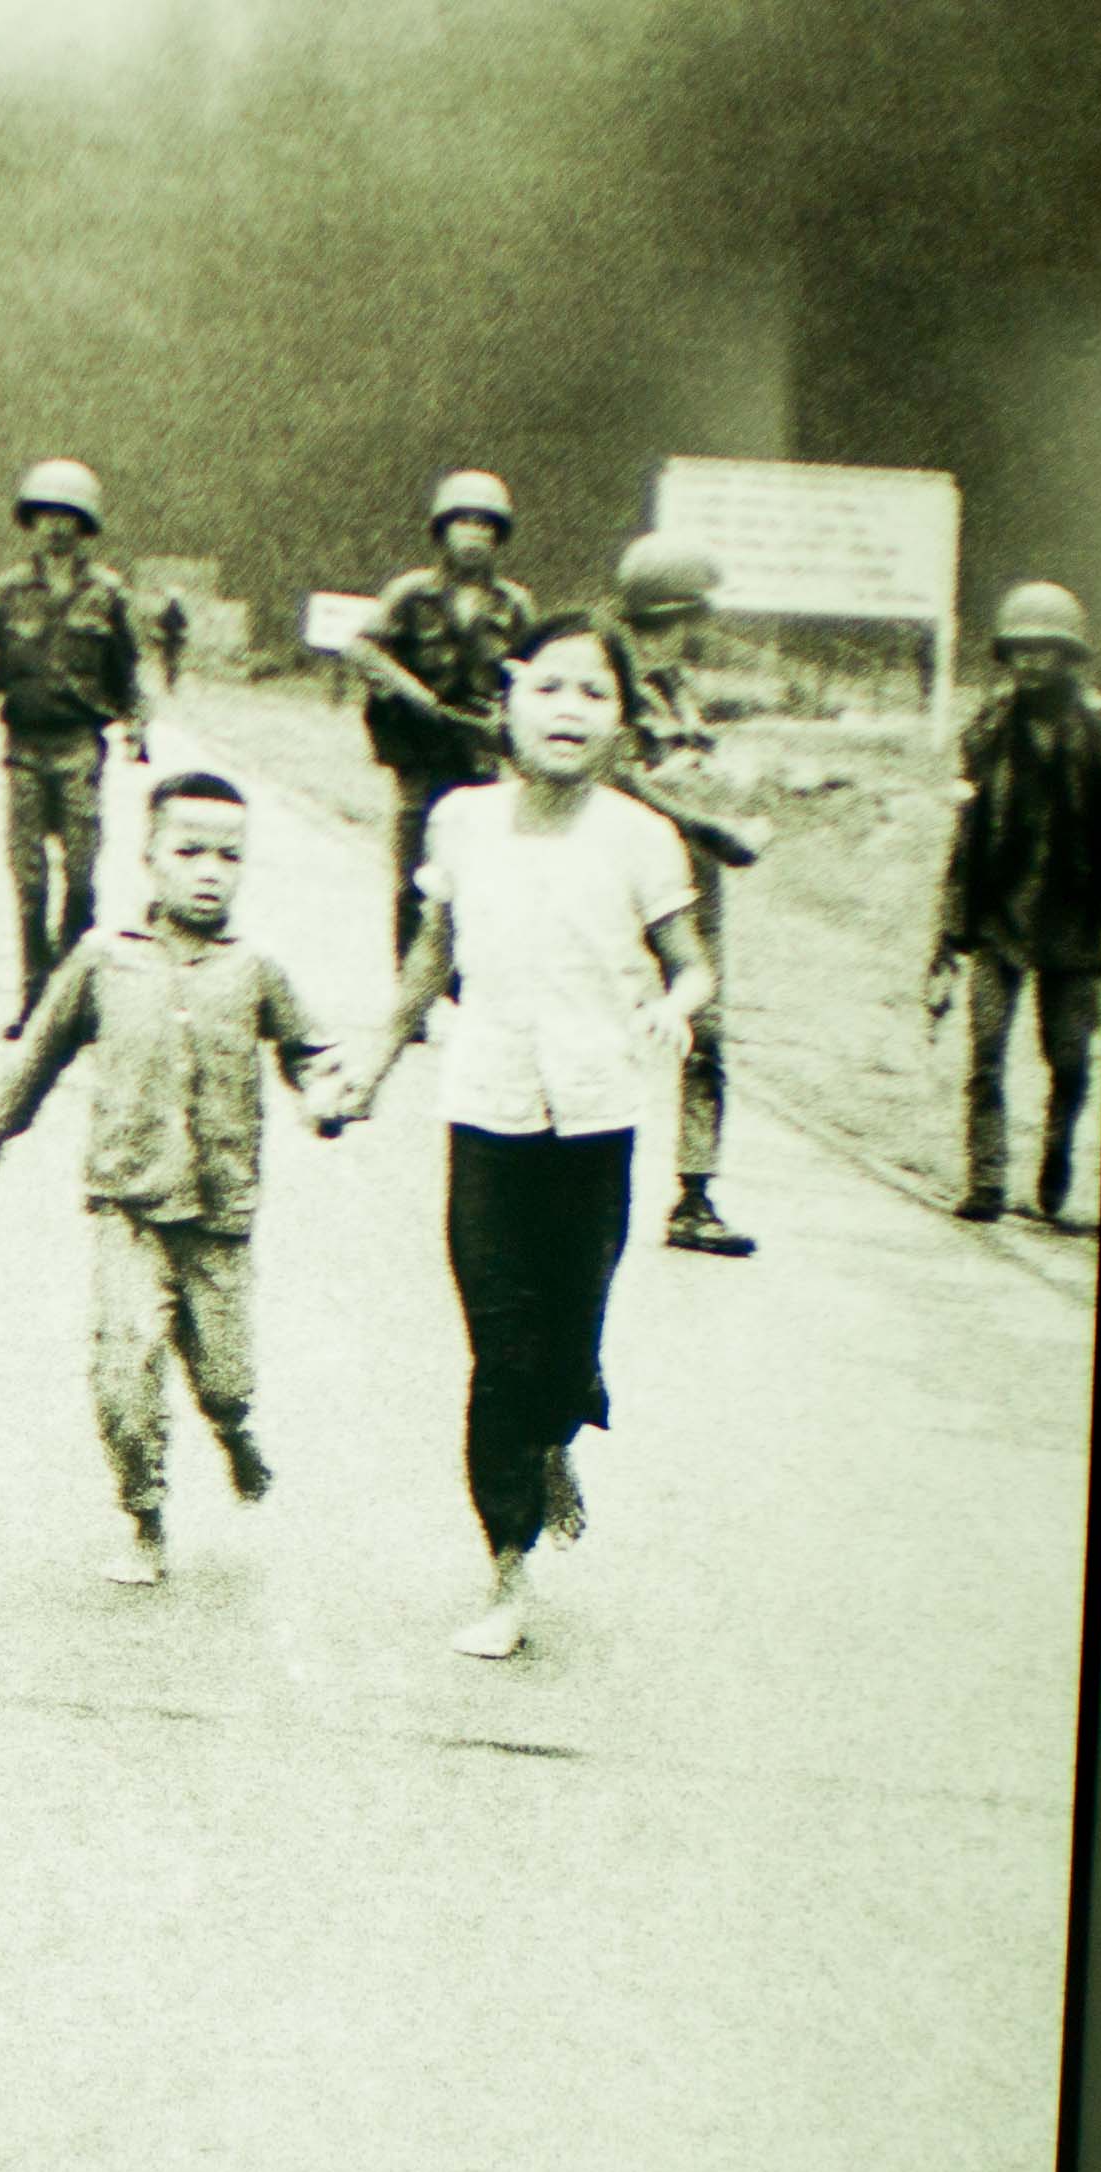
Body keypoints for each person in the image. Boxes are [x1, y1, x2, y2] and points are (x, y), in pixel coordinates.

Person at [340, 609, 713, 1661]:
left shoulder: (641, 837)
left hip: (596, 1119)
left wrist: (674, 1005)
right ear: (507, 704)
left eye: (594, 692)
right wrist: (374, 1060)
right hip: (487, 1109)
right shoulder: (460, 821)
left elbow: (693, 963)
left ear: (623, 723)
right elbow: (431, 956)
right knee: (501, 1347)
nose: (568, 709)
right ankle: (507, 1570)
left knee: (566, 1342)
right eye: (548, 686)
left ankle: (554, 1432)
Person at [0, 770, 363, 1586]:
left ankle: (234, 1431)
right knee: (125, 1364)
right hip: (130, 1203)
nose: (209, 872)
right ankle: (144, 1517)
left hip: (219, 1213)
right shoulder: (103, 961)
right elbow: (36, 1058)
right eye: (189, 852)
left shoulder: (256, 969)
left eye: (229, 856)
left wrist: (326, 1096)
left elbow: (310, 1051)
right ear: (148, 857)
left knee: (223, 1376)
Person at [926, 579, 1101, 1226]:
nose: (1032, 662)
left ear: (1068, 657)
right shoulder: (986, 733)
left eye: (1046, 650)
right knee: (986, 1054)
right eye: (1022, 650)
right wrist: (948, 931)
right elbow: (965, 839)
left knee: (1072, 1062)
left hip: (1073, 920)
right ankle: (986, 1181)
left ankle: (1055, 1164)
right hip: (997, 915)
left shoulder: (1099, 737)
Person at [606, 533, 761, 1258]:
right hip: (628, 876)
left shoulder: (677, 685)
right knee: (606, 1023)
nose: (703, 626)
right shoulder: (612, 681)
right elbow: (620, 778)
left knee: (707, 1032)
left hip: (694, 880)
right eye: (697, 612)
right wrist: (707, 824)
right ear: (677, 611)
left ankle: (695, 1195)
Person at [0, 459, 150, 1031]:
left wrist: (137, 724)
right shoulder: (8, 592)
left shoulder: (107, 593)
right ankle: (34, 996)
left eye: (68, 517)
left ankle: (72, 998)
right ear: (31, 521)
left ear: (84, 525)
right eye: (46, 515)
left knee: (82, 878)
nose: (56, 527)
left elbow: (128, 673)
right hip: (24, 749)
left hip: (78, 747)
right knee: (30, 882)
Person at [353, 469, 538, 962]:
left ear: (498, 536)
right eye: (463, 522)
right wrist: (415, 695)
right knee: (415, 875)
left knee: (474, 873)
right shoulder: (412, 593)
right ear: (442, 530)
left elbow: (531, 671)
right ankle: (410, 983)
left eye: (485, 525)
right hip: (420, 755)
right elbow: (364, 648)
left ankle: (460, 981)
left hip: (479, 755)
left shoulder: (513, 604)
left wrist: (510, 719)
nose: (474, 535)